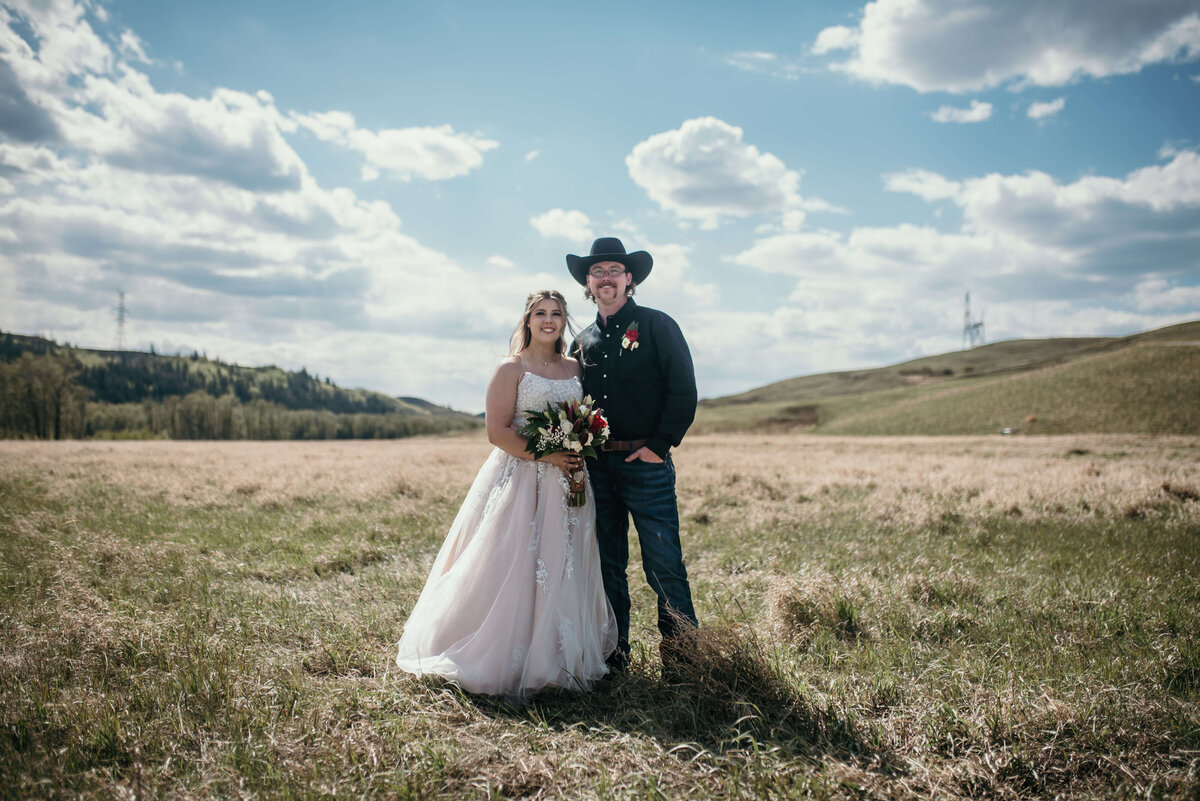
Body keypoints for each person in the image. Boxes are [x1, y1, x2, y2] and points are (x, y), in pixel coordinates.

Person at [396, 290, 617, 696]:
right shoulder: (510, 367)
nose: (548, 320)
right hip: (520, 479)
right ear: (527, 320)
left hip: (566, 482)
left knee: (560, 562)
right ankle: (492, 652)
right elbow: (497, 431)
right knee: (512, 560)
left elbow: (580, 418)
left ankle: (555, 658)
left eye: (556, 314)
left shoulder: (574, 367)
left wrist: (576, 451)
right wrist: (548, 455)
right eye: (540, 313)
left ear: (565, 321)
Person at [567, 237, 699, 678]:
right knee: (607, 565)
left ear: (630, 279)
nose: (605, 278)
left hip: (647, 466)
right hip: (597, 468)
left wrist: (659, 446)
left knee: (664, 563)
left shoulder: (658, 325)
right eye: (597, 271)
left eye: (614, 270)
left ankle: (683, 664)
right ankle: (614, 658)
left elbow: (683, 391)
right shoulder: (580, 343)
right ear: (588, 282)